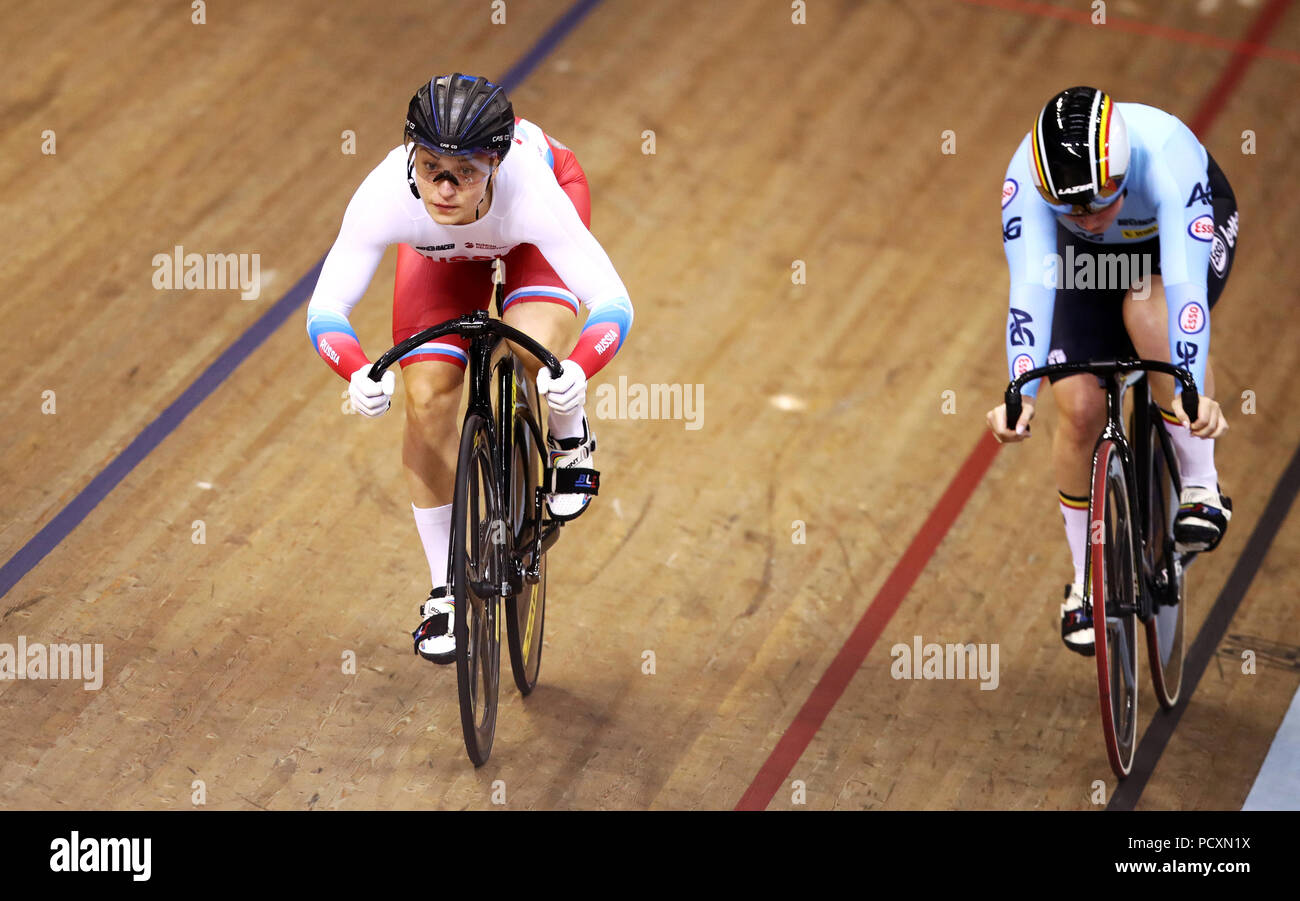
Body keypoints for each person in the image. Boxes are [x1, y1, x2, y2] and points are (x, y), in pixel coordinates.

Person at [306, 74, 633, 663]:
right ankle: (445, 592)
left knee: (538, 350)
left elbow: (614, 304)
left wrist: (578, 370)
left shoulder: (533, 193)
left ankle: (570, 439)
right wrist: (355, 370)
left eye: (466, 173)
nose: (446, 190)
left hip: (526, 238)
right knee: (427, 398)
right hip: (442, 256)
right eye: (431, 168)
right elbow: (327, 310)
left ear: (499, 164)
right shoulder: (385, 195)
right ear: (411, 155)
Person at [986, 86, 1237, 655]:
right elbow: (1030, 291)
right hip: (1079, 265)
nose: (1090, 219)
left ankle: (1200, 484)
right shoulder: (1025, 181)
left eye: (1101, 203)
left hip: (1173, 244)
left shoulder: (1169, 159)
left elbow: (1185, 292)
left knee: (1149, 312)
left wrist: (1192, 387)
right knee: (1077, 407)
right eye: (1072, 210)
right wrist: (1019, 389)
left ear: (1124, 177)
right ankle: (1086, 583)